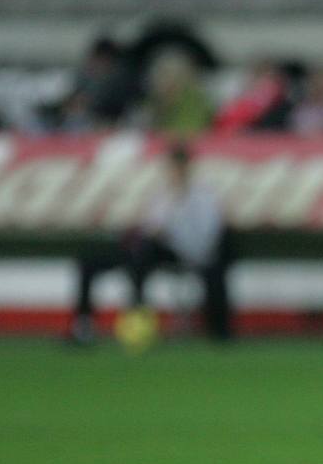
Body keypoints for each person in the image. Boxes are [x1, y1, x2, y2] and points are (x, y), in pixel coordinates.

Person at [69, 142, 231, 344]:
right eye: (170, 167)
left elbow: (205, 238)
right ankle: (85, 327)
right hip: (151, 251)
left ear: (186, 167)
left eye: (175, 167)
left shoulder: (203, 196)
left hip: (184, 253)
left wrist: (170, 233)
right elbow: (150, 225)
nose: (172, 172)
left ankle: (138, 323)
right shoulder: (162, 195)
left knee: (143, 255)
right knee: (94, 260)